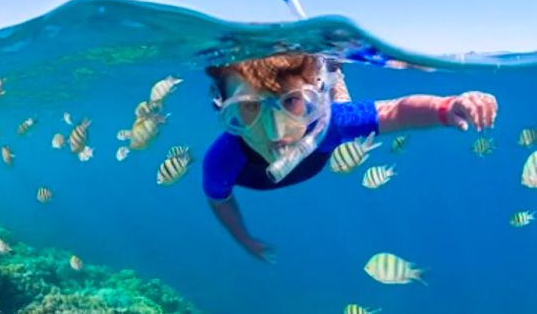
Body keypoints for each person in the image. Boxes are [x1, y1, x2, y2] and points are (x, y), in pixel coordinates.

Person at [203, 53, 498, 263]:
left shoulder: (330, 124)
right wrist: (243, 238)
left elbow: (395, 111)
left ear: (310, 99)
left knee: (344, 109)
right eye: (250, 107)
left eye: (291, 101)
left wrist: (447, 107)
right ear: (223, 108)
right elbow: (220, 200)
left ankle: (334, 75)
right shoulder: (221, 161)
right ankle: (331, 78)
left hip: (326, 124)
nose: (274, 130)